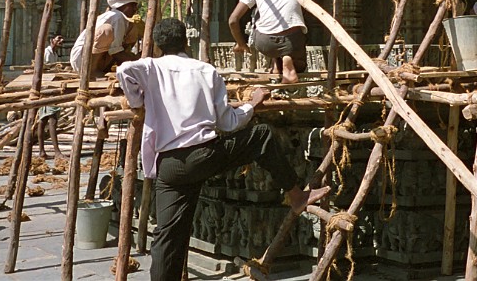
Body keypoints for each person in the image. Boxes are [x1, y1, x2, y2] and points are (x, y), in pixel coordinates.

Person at [116, 18, 329, 281]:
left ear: (158, 46)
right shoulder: (205, 71)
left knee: (167, 235)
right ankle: (296, 195)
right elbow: (228, 122)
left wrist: (137, 98)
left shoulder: (149, 68)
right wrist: (252, 104)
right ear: (186, 42)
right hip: (204, 155)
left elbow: (124, 70)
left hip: (170, 165)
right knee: (261, 135)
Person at [70, 0, 141, 77]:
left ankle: (100, 68)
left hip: (96, 60)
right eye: (133, 5)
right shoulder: (117, 17)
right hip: (82, 60)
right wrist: (136, 63)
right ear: (124, 5)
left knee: (133, 29)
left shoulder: (121, 18)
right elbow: (116, 51)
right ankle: (92, 71)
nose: (135, 9)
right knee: (106, 30)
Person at [38, 34, 65, 160]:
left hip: (50, 85)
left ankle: (42, 151)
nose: (61, 41)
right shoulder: (48, 53)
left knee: (43, 120)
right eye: (58, 38)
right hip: (47, 86)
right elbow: (47, 69)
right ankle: (57, 151)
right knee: (52, 118)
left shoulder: (54, 54)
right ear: (51, 40)